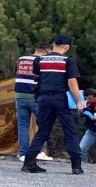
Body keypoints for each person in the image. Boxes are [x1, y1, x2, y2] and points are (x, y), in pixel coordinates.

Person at [21, 34, 84, 175]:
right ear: (67, 47)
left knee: (42, 131)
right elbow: (72, 82)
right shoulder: (68, 61)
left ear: (53, 44)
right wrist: (79, 101)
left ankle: (29, 162)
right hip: (61, 99)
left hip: (43, 98)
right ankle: (76, 166)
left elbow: (38, 77)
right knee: (70, 131)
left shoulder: (39, 60)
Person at [15, 43, 54, 162]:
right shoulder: (42, 61)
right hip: (35, 96)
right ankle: (40, 151)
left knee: (22, 125)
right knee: (43, 123)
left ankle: (23, 154)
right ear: (47, 51)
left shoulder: (20, 59)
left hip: (19, 95)